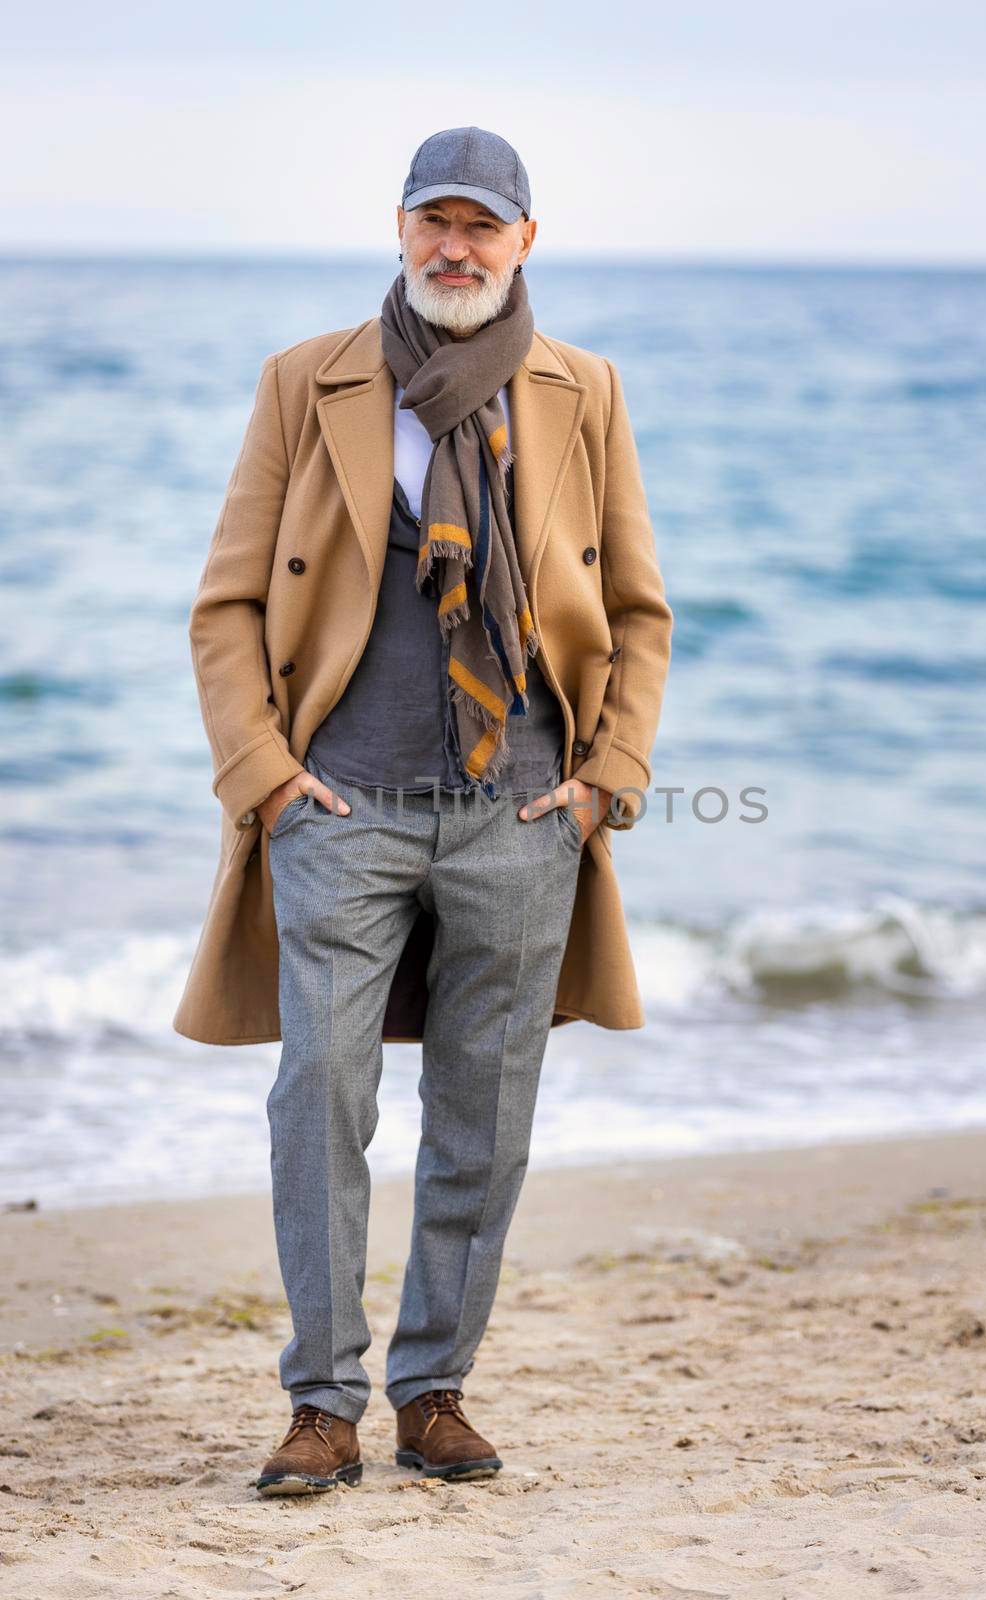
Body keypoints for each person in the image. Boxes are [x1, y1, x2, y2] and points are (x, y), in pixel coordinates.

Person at [173, 125, 673, 1495]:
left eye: (482, 224)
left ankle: (434, 1388)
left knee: (486, 1113)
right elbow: (226, 601)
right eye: (431, 220)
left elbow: (634, 606)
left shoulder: (585, 391)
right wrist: (266, 777)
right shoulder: (307, 380)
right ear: (399, 230)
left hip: (523, 813)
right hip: (340, 803)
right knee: (319, 1092)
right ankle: (321, 1403)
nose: (454, 247)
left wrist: (602, 783)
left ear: (525, 239)